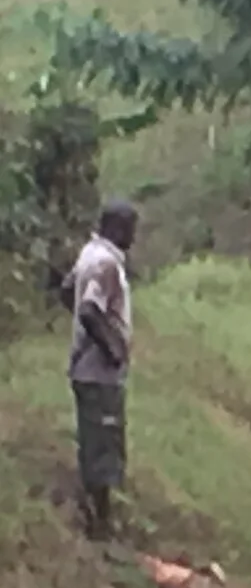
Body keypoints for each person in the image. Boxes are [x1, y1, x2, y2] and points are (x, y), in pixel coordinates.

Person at [66, 202, 139, 543]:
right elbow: (89, 309)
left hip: (85, 368)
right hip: (98, 373)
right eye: (131, 229)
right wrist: (113, 350)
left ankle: (100, 520)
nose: (135, 237)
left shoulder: (89, 254)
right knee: (104, 446)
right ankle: (101, 527)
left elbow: (68, 289)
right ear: (119, 229)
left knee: (94, 441)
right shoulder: (107, 264)